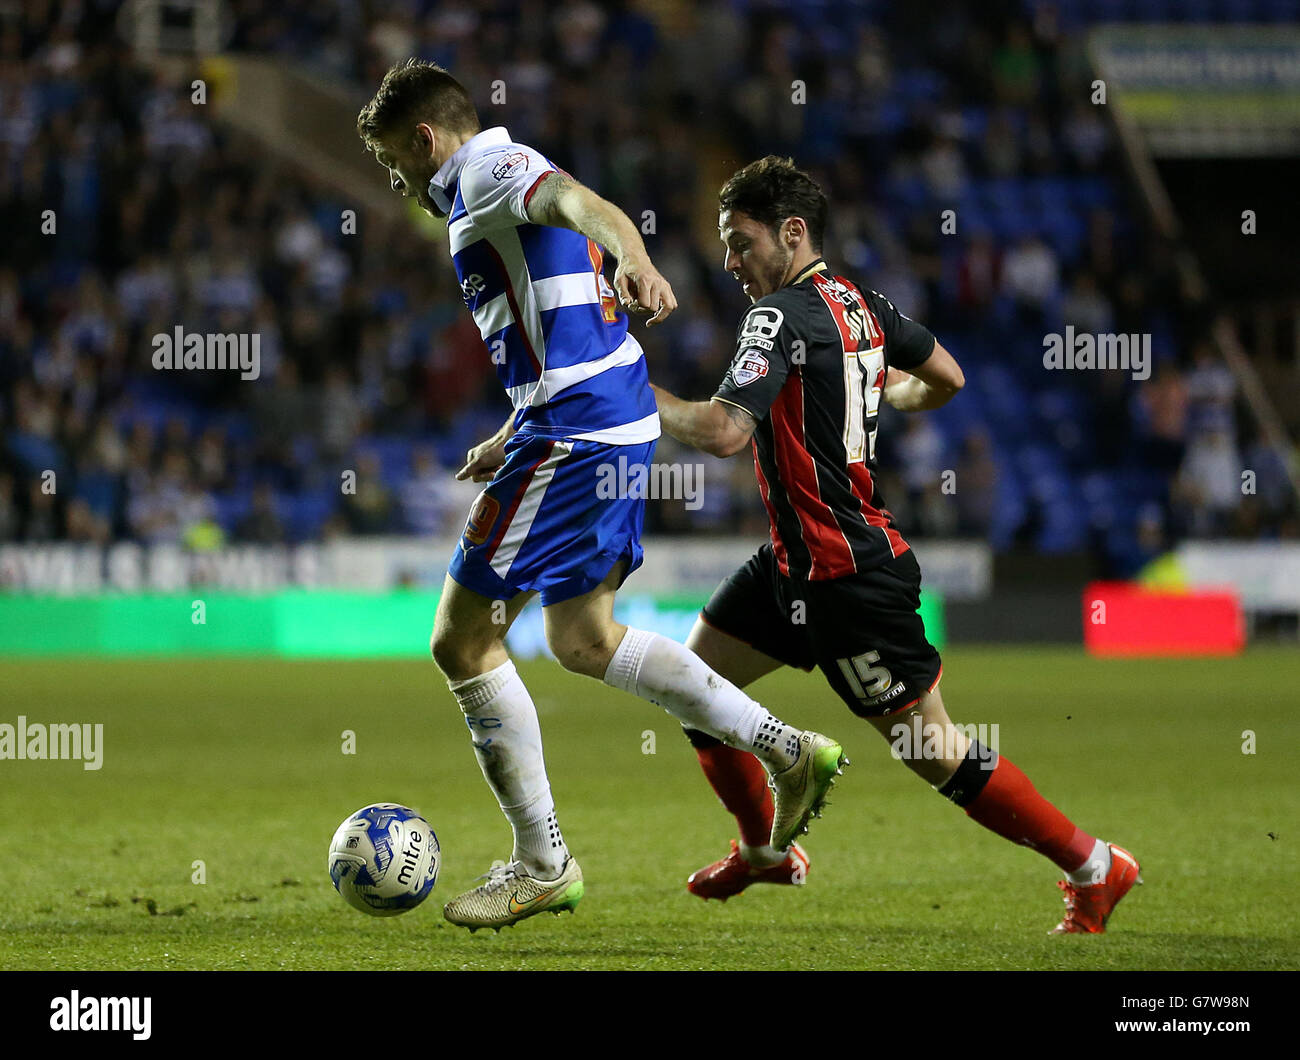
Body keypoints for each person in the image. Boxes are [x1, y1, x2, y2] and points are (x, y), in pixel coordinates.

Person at [356, 63, 845, 932]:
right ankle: (787, 748)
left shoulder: (483, 172)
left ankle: (542, 864)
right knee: (583, 640)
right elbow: (561, 321)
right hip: (600, 420)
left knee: (461, 644)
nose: (402, 184)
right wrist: (513, 429)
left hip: (577, 434)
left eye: (399, 165)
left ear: (427, 139)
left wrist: (637, 258)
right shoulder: (484, 195)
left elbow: (585, 204)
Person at [651, 156, 1139, 934]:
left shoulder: (776, 317)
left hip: (846, 576)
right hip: (792, 564)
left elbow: (721, 430)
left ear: (792, 232)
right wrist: (877, 390)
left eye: (740, 243)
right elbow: (947, 376)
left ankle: (1095, 865)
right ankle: (764, 854)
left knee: (932, 750)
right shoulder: (864, 304)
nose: (730, 262)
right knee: (690, 684)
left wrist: (634, 397)